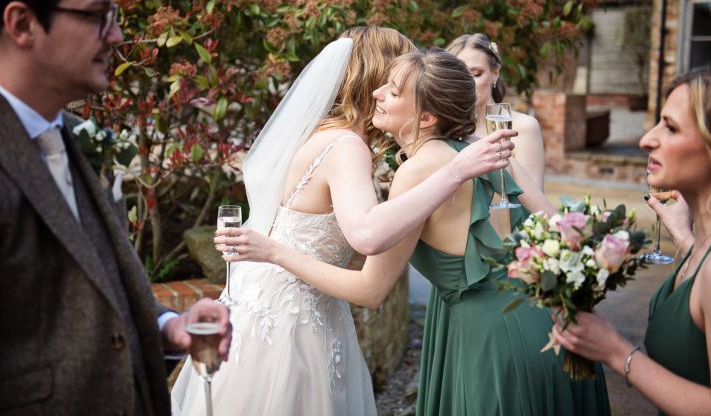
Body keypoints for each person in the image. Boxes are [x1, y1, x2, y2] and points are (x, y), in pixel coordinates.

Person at [219, 48, 611, 415]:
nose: (377, 93)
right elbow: (561, 230)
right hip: (545, 324)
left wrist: (274, 252)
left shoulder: (417, 171)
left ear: (425, 118)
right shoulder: (484, 147)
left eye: (392, 91)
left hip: (492, 339)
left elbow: (369, 290)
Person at [0, 0, 230, 415]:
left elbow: (95, 289)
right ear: (22, 24)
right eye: (99, 15)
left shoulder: (81, 137)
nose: (116, 36)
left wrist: (169, 327)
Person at [171, 29, 517, 415]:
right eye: (395, 78)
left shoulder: (323, 133)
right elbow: (367, 234)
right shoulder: (348, 146)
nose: (385, 92)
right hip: (290, 322)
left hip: (272, 307)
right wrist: (457, 170)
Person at [553, 67, 711, 415]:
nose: (646, 140)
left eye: (670, 127)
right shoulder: (698, 248)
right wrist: (684, 238)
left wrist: (616, 351)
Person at [447, 33, 546, 190]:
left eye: (476, 74)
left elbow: (535, 199)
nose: (467, 83)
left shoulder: (524, 127)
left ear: (495, 73)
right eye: (459, 75)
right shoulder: (445, 128)